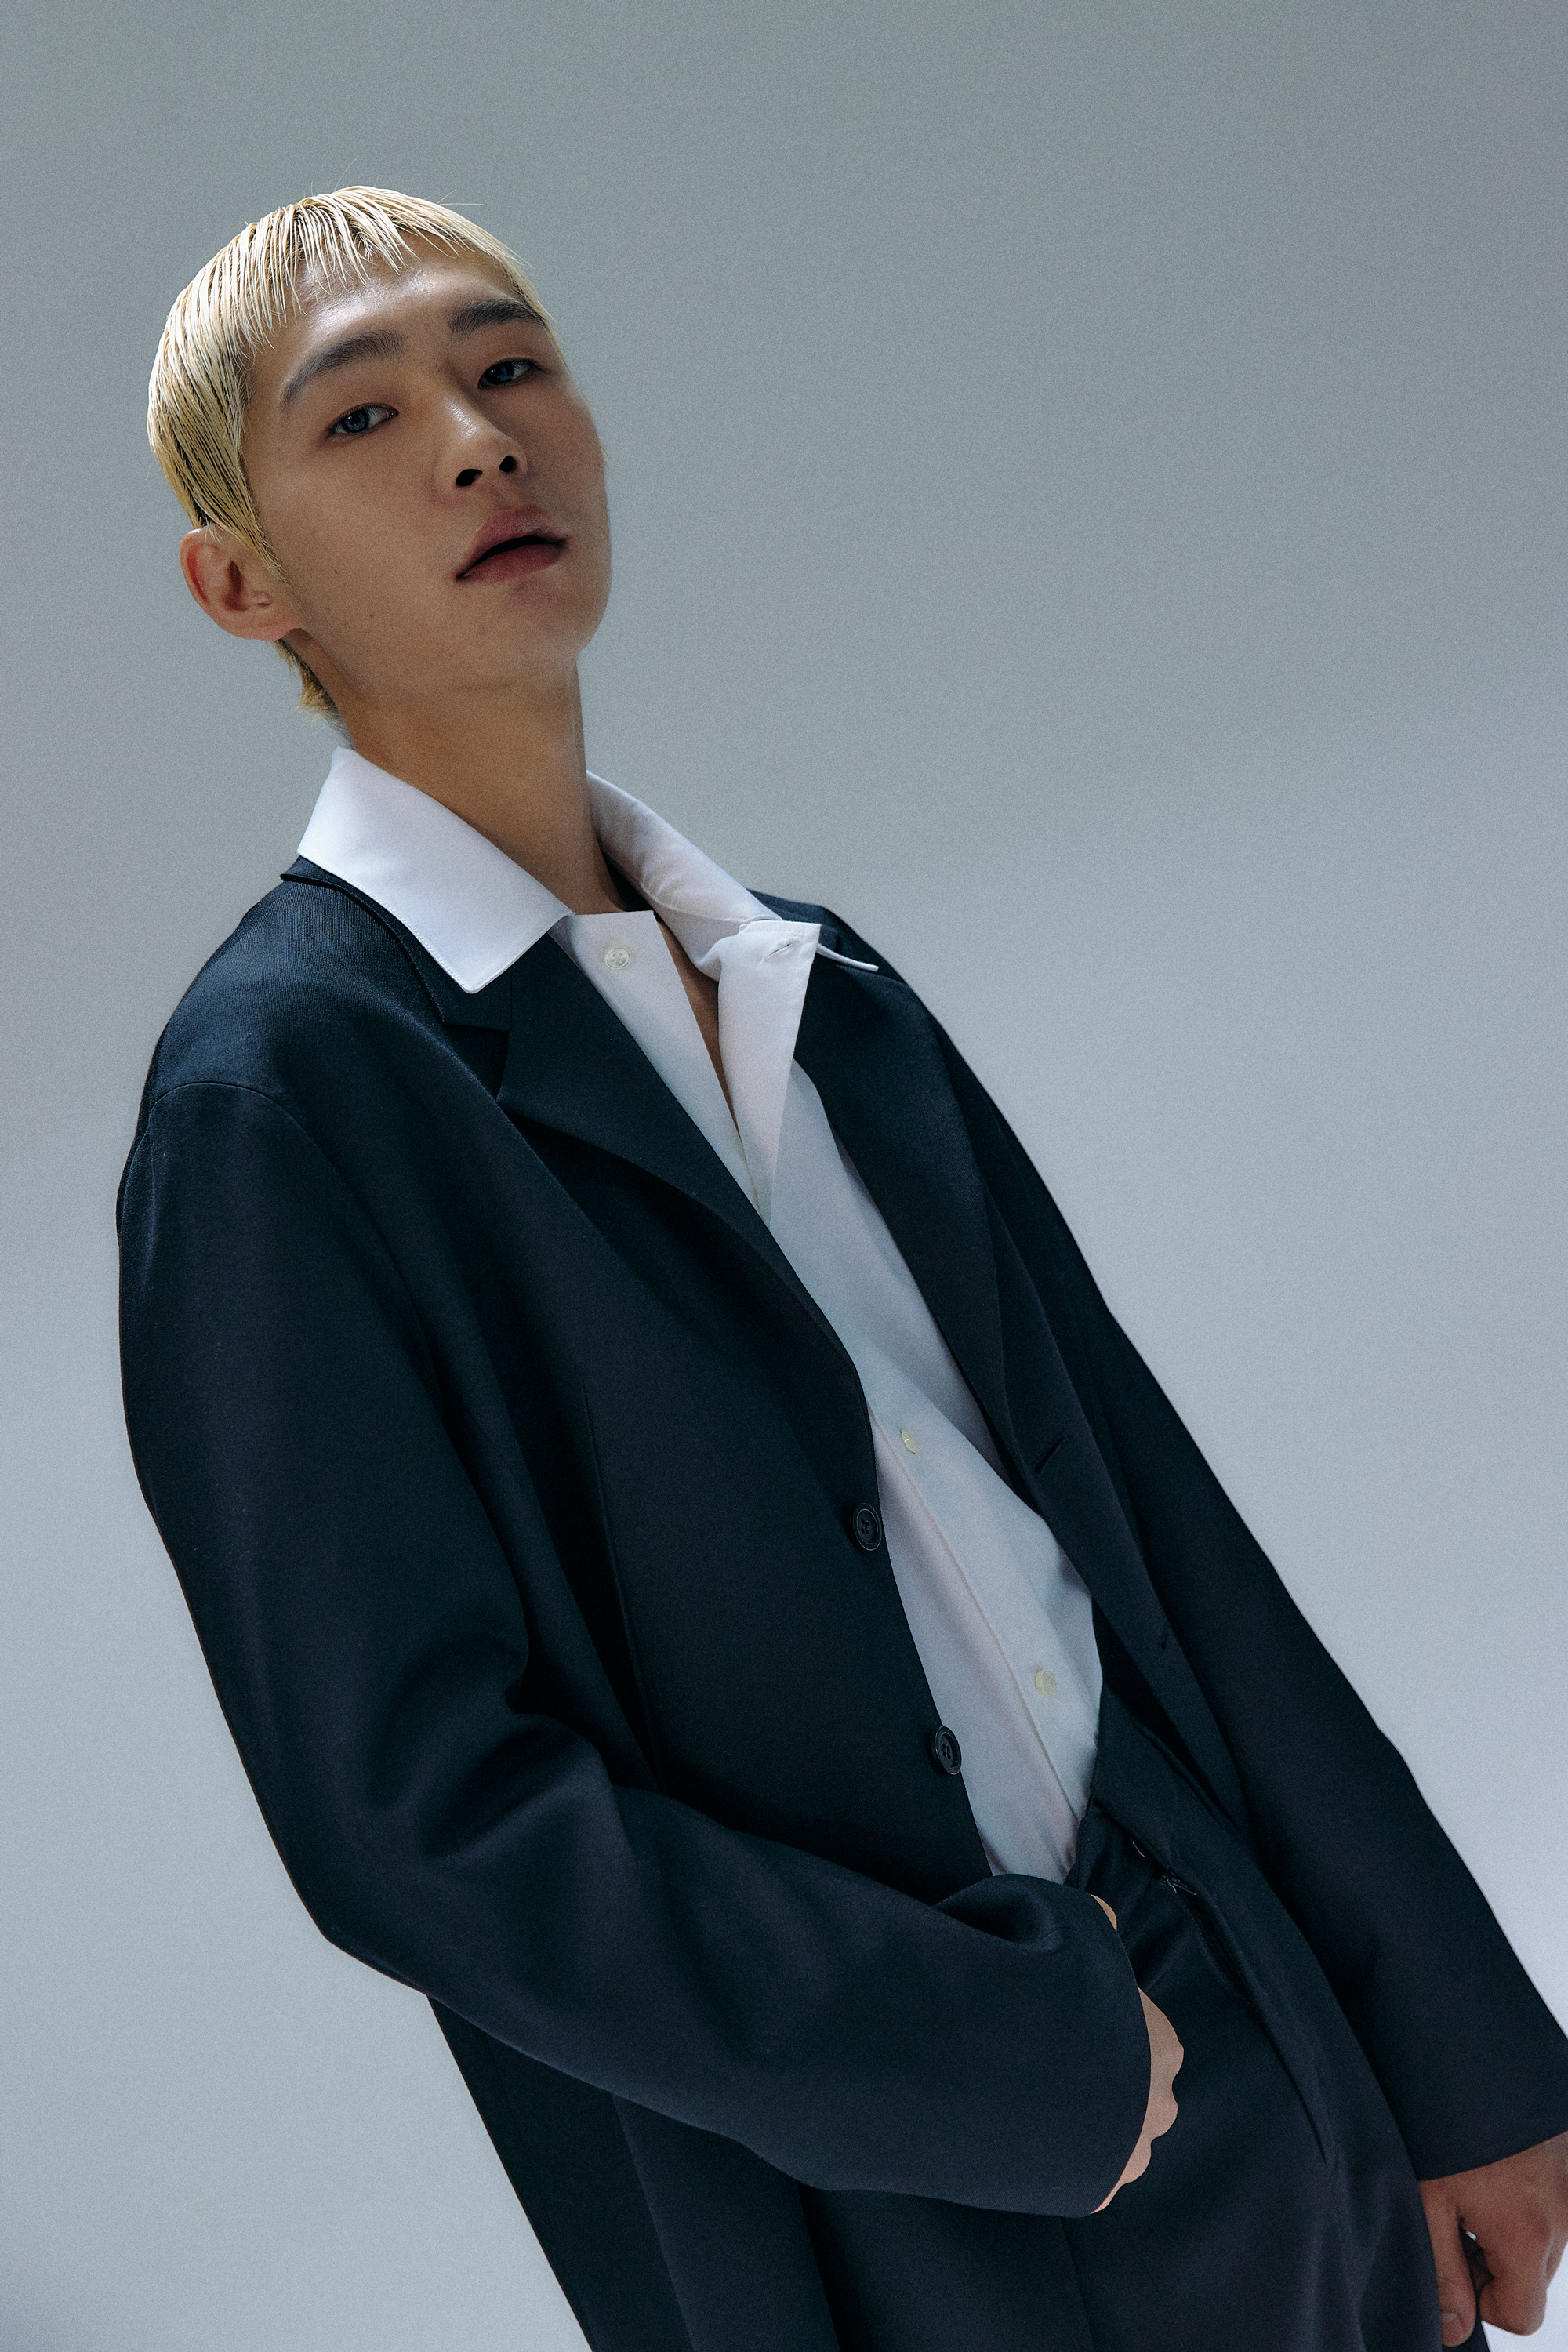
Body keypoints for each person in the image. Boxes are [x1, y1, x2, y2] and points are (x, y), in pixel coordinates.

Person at [119, 187, 1568, 2352]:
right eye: (365, 416)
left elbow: (1156, 1534)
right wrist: (999, 2063)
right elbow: (420, 1819)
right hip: (871, 2195)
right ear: (241, 583)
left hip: (1255, 2043)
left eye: (510, 368)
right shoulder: (283, 1100)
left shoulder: (819, 987)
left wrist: (1454, 2050)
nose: (479, 439)